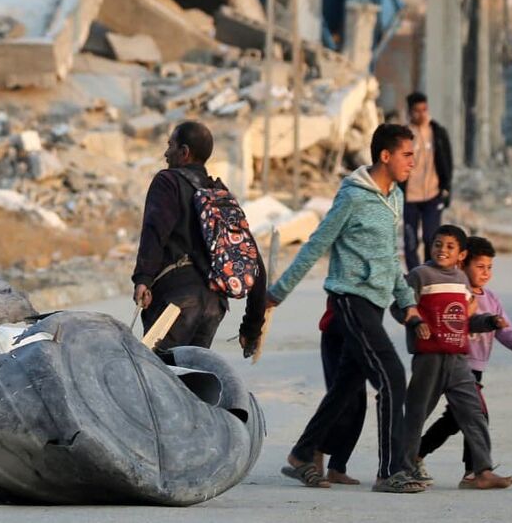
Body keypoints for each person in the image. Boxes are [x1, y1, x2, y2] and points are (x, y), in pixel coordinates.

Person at [267, 123, 424, 493]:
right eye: (407, 155)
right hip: (349, 298)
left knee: (346, 386)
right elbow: (316, 244)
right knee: (391, 376)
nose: (412, 163)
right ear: (385, 156)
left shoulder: (394, 197)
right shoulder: (352, 196)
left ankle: (304, 452)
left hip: (375, 303)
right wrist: (278, 292)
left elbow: (389, 257)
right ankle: (390, 471)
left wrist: (408, 303)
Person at [394, 225, 512, 490]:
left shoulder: (461, 281)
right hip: (429, 358)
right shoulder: (419, 275)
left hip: (459, 359)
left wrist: (489, 321)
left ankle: (481, 471)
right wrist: (415, 324)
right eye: (438, 244)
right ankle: (403, 468)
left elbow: (464, 320)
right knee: (416, 413)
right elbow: (399, 306)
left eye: (450, 246)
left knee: (474, 413)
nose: (442, 250)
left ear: (461, 254)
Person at [132, 121, 267, 351]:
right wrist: (252, 328)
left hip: (177, 304)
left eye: (170, 146)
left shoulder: (168, 181)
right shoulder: (221, 195)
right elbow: (252, 261)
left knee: (158, 378)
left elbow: (154, 232)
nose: (166, 153)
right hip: (214, 306)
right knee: (191, 379)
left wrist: (143, 279)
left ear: (184, 153)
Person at [417, 236, 512, 484]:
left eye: (489, 267)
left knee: (455, 420)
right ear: (463, 264)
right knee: (474, 415)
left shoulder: (491, 298)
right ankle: (475, 472)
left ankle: (421, 455)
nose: (486, 273)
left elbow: (505, 329)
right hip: (454, 365)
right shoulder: (457, 293)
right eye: (480, 267)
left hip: (475, 369)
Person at [312, 295, 367, 486]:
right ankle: (314, 448)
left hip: (363, 333)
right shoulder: (347, 267)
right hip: (338, 331)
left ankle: (337, 466)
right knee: (343, 399)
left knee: (359, 404)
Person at [402, 92, 454, 271]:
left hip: (432, 195)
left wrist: (446, 189)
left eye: (424, 109)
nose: (421, 114)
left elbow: (447, 162)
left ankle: (429, 274)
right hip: (409, 197)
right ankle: (414, 276)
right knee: (410, 241)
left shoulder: (437, 132)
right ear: (410, 112)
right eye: (417, 110)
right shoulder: (404, 135)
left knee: (431, 238)